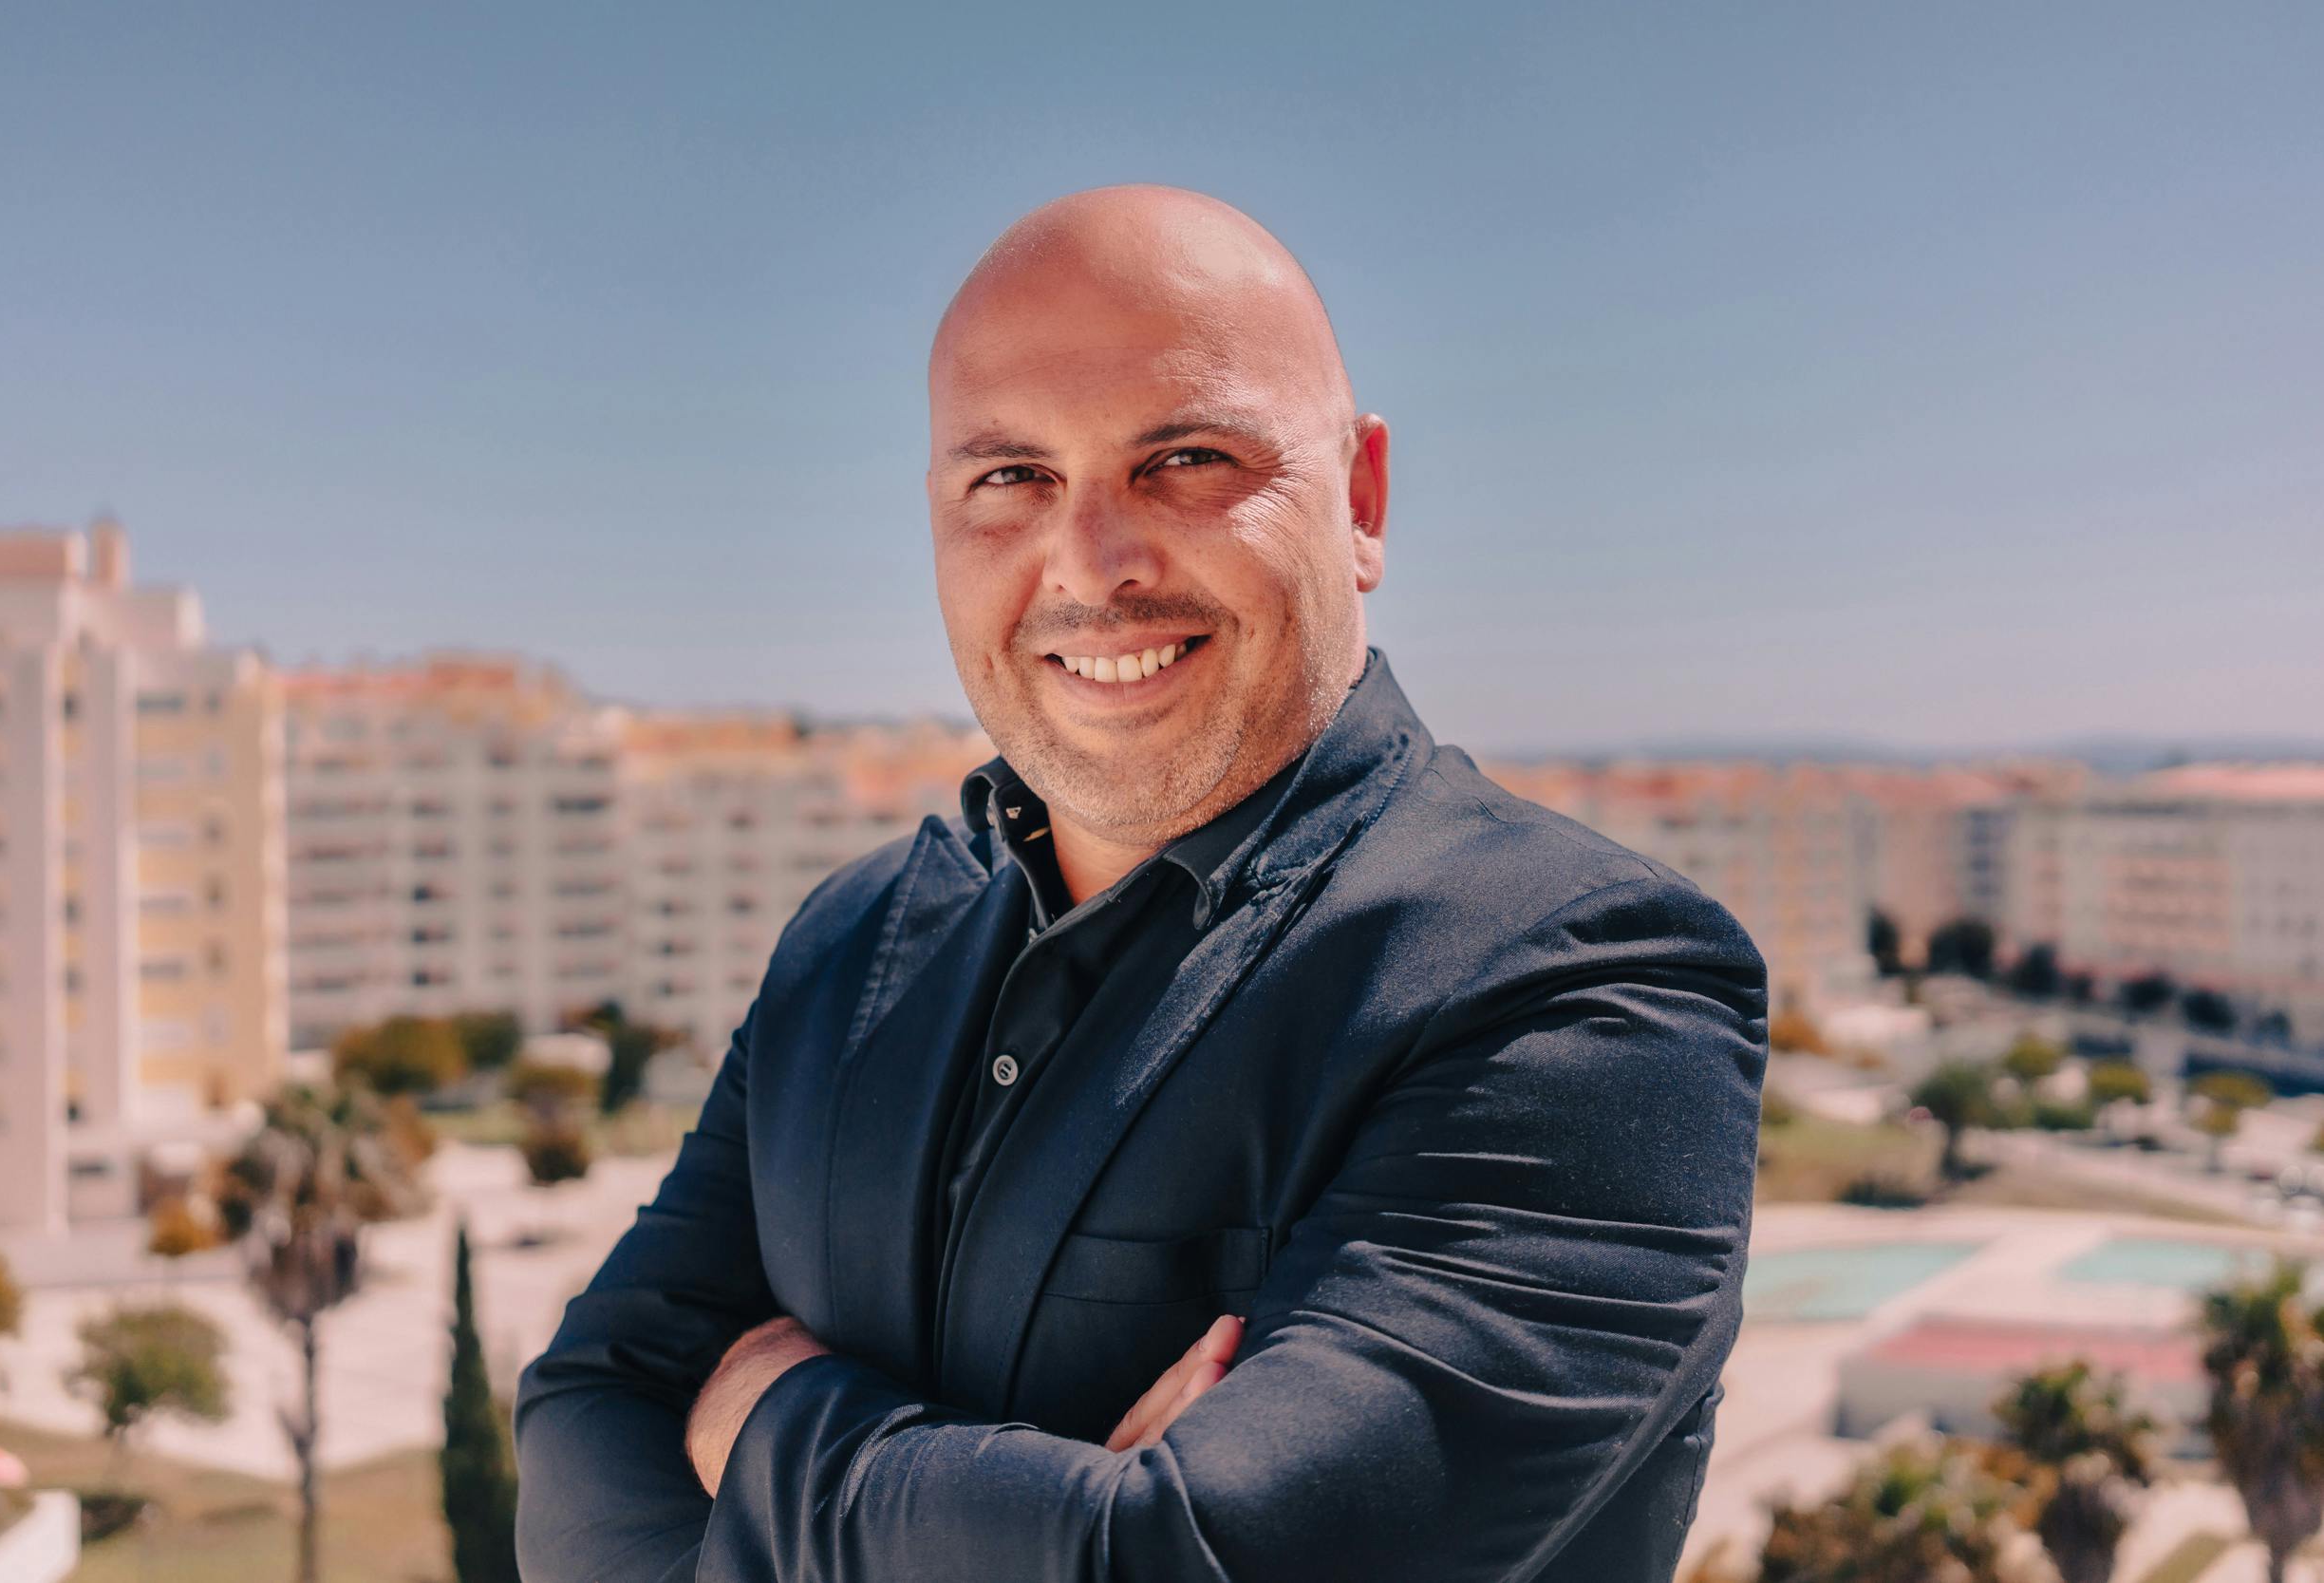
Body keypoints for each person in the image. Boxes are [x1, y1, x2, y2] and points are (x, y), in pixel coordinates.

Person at [514, 182, 1769, 1582]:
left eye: (1185, 459)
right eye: (1011, 479)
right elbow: (580, 1434)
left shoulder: (1581, 988)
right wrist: (1054, 1521)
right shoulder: (853, 942)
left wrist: (760, 1417)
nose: (1091, 565)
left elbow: (1191, 1564)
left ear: (1360, 500)